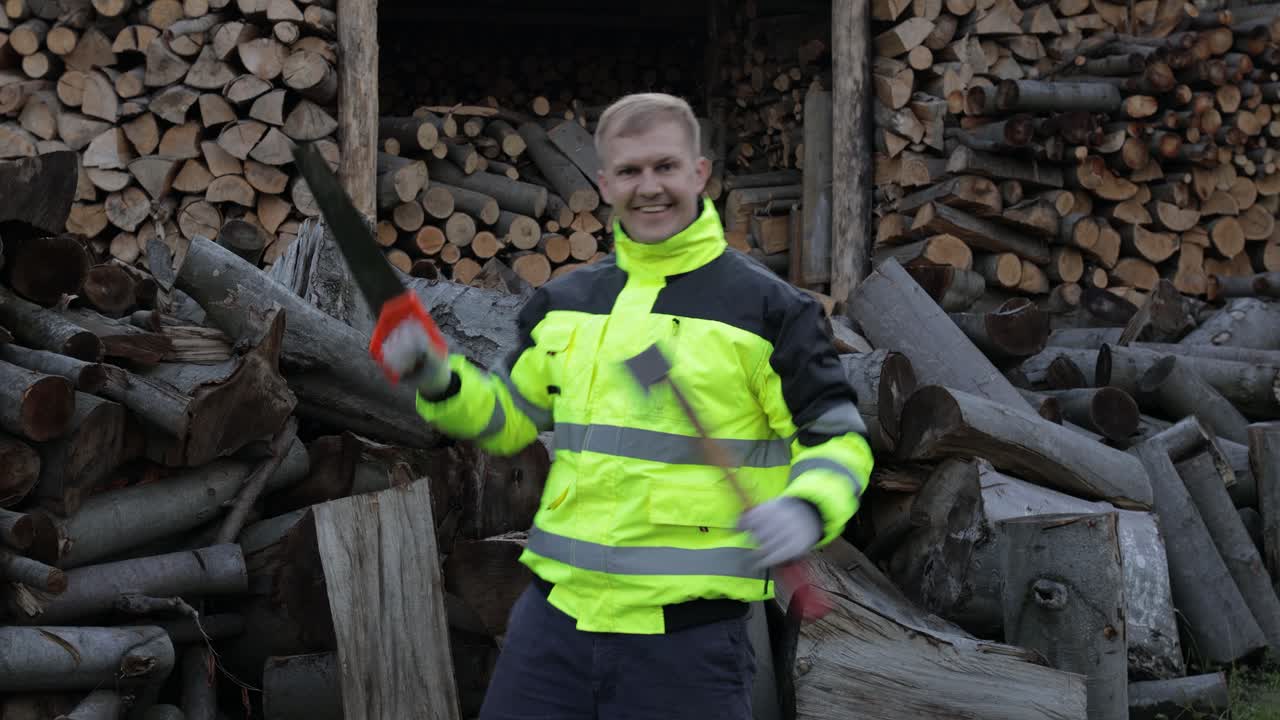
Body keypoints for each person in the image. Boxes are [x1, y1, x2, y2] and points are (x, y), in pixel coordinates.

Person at [378, 92, 874, 720]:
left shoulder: (771, 310)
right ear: (606, 181)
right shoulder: (565, 301)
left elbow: (837, 440)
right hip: (552, 627)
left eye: (666, 166)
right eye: (631, 171)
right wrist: (438, 379)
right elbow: (506, 420)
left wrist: (807, 507)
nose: (650, 187)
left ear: (699, 173)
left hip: (687, 649)